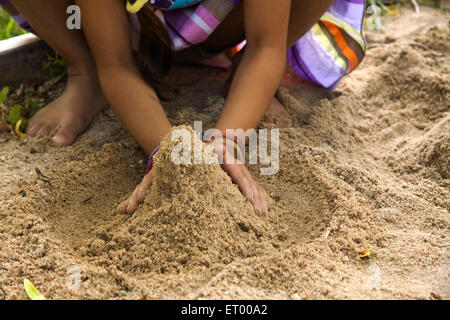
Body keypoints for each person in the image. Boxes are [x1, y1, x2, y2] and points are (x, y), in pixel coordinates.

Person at [0, 0, 366, 215]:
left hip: (220, 19)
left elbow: (265, 45)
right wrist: (169, 151)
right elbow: (117, 64)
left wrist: (226, 140)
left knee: (261, 48)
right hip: (103, 26)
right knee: (101, 59)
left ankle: (245, 78)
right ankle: (83, 67)